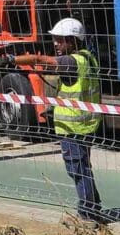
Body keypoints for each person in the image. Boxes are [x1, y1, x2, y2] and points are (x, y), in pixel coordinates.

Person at [10, 17, 105, 223]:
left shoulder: (71, 62)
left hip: (72, 127)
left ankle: (88, 215)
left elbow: (43, 60)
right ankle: (93, 208)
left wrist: (13, 60)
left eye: (60, 40)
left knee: (78, 171)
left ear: (72, 40)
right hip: (87, 124)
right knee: (84, 169)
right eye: (55, 40)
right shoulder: (88, 57)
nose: (56, 44)